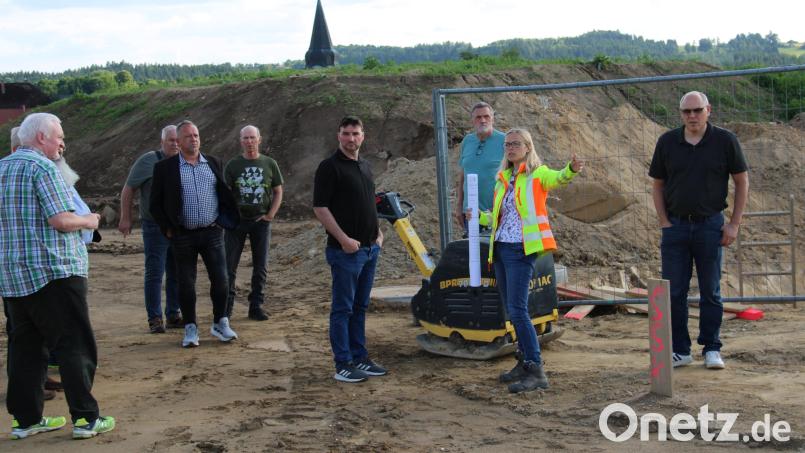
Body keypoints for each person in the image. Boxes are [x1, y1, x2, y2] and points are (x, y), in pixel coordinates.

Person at [1, 113, 115, 440]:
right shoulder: (43, 167)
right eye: (60, 137)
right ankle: (86, 419)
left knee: (25, 349)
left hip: (13, 275)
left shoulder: (2, 168)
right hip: (55, 271)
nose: (63, 143)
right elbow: (61, 220)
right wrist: (90, 220)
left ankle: (26, 421)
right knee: (74, 344)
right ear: (42, 138)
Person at [477, 128, 583, 393]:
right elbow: (501, 216)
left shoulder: (537, 174)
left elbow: (558, 178)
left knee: (518, 310)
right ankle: (524, 362)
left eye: (516, 144)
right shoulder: (503, 179)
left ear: (527, 147)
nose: (510, 148)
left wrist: (571, 169)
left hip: (521, 249)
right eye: (507, 144)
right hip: (500, 248)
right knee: (512, 309)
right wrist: (479, 217)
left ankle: (536, 370)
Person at [649, 91, 749, 370]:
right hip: (676, 228)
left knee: (711, 291)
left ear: (708, 110)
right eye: (686, 111)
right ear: (680, 114)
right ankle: (680, 350)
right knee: (674, 292)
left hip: (710, 226)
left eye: (697, 110)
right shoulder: (667, 142)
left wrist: (734, 224)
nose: (692, 116)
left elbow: (742, 181)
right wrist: (664, 222)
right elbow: (657, 185)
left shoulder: (725, 141)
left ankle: (712, 348)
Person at [150, 120, 240, 348]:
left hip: (212, 232)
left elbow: (223, 193)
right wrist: (168, 228)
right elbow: (155, 204)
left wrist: (224, 219)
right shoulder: (165, 168)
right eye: (188, 136)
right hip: (183, 234)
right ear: (179, 142)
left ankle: (221, 322)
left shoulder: (213, 163)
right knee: (186, 283)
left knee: (221, 279)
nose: (194, 139)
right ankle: (190, 327)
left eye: (196, 135)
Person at [313, 116, 387, 383]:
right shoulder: (329, 167)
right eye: (346, 133)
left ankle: (360, 357)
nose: (351, 138)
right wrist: (344, 239)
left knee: (360, 306)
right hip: (346, 252)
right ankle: (343, 363)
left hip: (369, 250)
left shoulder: (364, 166)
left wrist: (378, 232)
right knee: (343, 309)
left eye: (355, 134)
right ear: (338, 135)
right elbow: (320, 207)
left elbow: (368, 202)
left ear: (363, 136)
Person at [118, 125, 182, 334]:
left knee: (176, 271)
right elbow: (129, 189)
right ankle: (155, 318)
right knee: (155, 272)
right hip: (155, 226)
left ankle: (173, 314)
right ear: (162, 142)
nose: (175, 144)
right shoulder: (148, 161)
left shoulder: (185, 161)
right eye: (171, 140)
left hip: (180, 226)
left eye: (178, 140)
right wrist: (125, 218)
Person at [224, 125, 284, 321]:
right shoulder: (233, 165)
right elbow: (225, 194)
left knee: (261, 266)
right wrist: (228, 217)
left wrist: (270, 215)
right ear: (240, 141)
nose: (249, 141)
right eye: (245, 138)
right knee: (229, 266)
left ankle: (256, 306)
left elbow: (278, 191)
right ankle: (226, 308)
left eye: (252, 137)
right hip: (237, 224)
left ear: (259, 139)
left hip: (261, 222)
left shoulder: (269, 163)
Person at [454, 102, 505, 235]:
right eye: (478, 117)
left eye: (486, 116)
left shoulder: (505, 141)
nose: (483, 120)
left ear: (492, 118)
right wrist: (459, 206)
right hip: (470, 214)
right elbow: (463, 175)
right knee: (473, 248)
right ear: (472, 120)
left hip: (497, 213)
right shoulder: (467, 141)